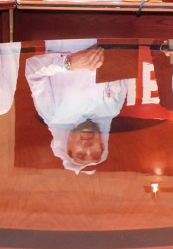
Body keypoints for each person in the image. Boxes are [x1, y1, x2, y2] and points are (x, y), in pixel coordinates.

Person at [25, 39, 128, 173]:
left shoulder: (54, 115)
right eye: (95, 154)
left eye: (81, 154)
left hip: (63, 28)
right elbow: (125, 58)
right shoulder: (113, 109)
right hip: (108, 23)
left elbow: (33, 70)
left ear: (68, 147)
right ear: (102, 145)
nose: (88, 148)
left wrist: (68, 63)